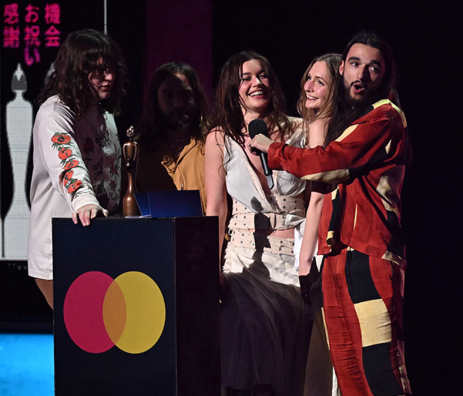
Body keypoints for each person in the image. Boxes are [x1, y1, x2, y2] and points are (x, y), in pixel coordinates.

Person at [249, 32, 412, 396]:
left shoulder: (385, 116)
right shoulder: (347, 121)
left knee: (379, 372)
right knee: (348, 372)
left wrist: (271, 150)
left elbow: (328, 165)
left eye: (373, 68)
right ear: (342, 68)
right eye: (355, 64)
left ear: (384, 77)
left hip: (370, 256)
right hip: (336, 258)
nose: (362, 75)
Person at [205, 51, 309, 395]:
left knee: (296, 358)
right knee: (242, 341)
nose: (255, 83)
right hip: (244, 261)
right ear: (232, 88)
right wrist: (210, 267)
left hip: (296, 261)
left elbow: (317, 198)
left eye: (262, 75)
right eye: (245, 77)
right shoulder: (219, 139)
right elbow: (216, 208)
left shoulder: (301, 130)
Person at [28, 29, 127, 309]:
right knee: (82, 341)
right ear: (75, 71)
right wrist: (84, 200)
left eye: (110, 69)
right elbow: (68, 162)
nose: (108, 77)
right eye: (97, 71)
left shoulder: (104, 115)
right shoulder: (54, 114)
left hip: (98, 241)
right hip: (61, 249)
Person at [296, 53, 342, 396]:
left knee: (325, 351)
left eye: (320, 82)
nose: (309, 86)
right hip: (334, 241)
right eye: (309, 78)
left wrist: (304, 260)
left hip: (321, 243)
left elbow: (316, 198)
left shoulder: (319, 126)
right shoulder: (342, 125)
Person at [134, 62, 210, 213]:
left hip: (208, 235)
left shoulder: (215, 145)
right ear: (156, 99)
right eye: (168, 95)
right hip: (156, 236)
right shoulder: (138, 151)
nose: (177, 103)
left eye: (185, 94)